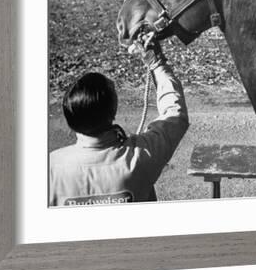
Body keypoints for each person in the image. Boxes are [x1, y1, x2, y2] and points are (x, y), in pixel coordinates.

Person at [49, 40, 189, 207]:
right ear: (113, 110)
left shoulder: (51, 167)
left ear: (70, 117)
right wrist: (156, 62)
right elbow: (174, 113)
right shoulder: (141, 156)